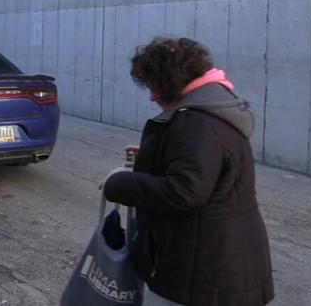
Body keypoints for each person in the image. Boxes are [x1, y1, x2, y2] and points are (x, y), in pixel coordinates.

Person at [103, 37, 274, 306]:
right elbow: (211, 166)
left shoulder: (195, 122)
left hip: (201, 276)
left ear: (169, 81)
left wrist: (118, 183)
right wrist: (156, 156)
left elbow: (184, 192)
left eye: (153, 86)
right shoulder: (215, 107)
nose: (151, 95)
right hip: (225, 262)